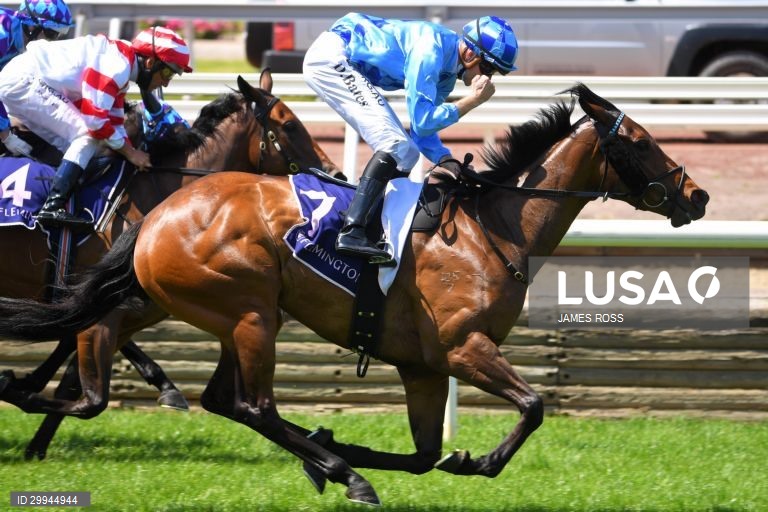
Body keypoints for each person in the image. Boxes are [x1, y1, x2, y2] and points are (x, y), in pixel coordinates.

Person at [303, 13, 518, 263]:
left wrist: (448, 161)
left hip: (343, 61)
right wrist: (472, 102)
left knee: (407, 152)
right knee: (394, 144)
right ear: (470, 55)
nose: (489, 79)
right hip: (333, 59)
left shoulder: (447, 73)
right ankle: (352, 230)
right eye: (490, 69)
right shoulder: (431, 51)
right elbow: (423, 120)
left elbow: (422, 132)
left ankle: (370, 227)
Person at [0, 25, 193, 229]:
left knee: (75, 147)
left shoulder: (122, 66)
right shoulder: (117, 66)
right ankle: (52, 207)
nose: (166, 83)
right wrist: (130, 153)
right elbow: (95, 121)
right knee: (86, 136)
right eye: (166, 73)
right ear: (150, 62)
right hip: (24, 81)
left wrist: (131, 150)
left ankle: (53, 197)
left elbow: (115, 120)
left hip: (24, 81)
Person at [0, 0, 74, 157]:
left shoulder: (19, 41)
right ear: (32, 26)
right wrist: (5, 135)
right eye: (52, 34)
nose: (53, 42)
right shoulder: (3, 31)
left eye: (58, 36)